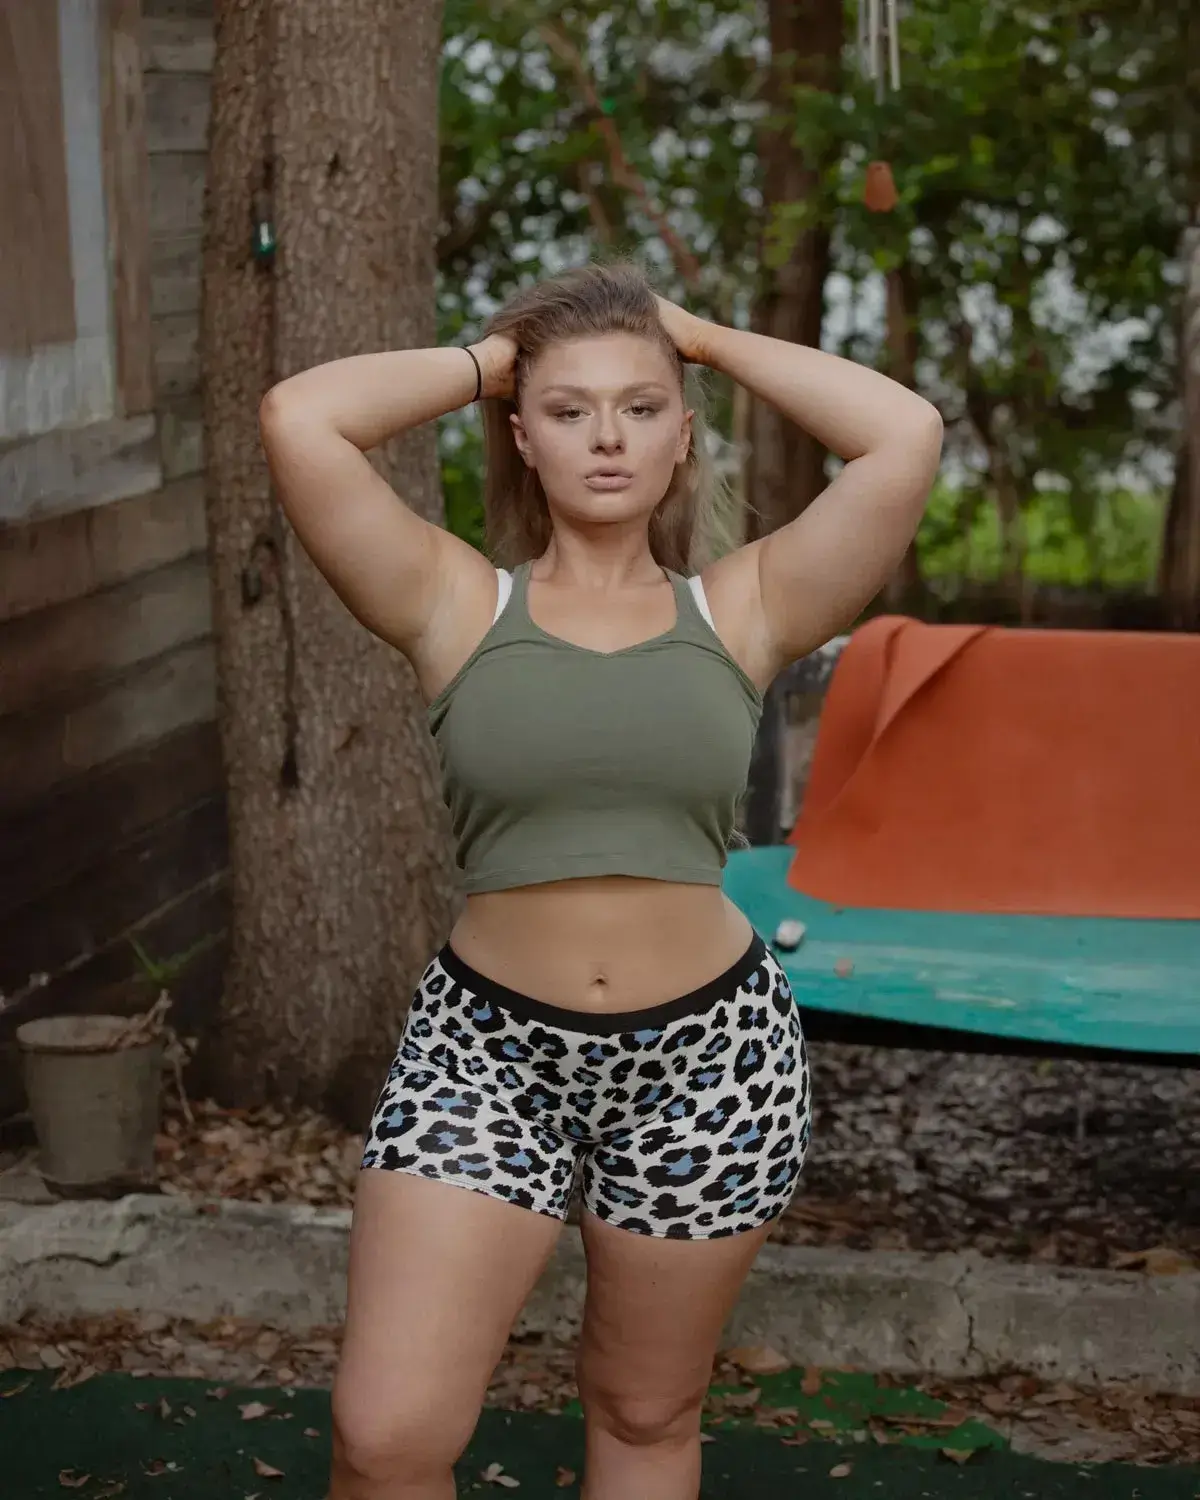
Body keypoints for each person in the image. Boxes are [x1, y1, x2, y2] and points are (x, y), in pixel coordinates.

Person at [259, 261, 942, 1500]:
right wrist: (492, 357)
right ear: (522, 438)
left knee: (641, 1413)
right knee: (387, 1436)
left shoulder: (741, 609)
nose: (608, 437)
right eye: (570, 411)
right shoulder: (455, 603)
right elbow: (301, 418)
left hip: (710, 1065)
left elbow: (903, 434)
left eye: (640, 407)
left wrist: (698, 339)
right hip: (487, 1053)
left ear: (682, 437)